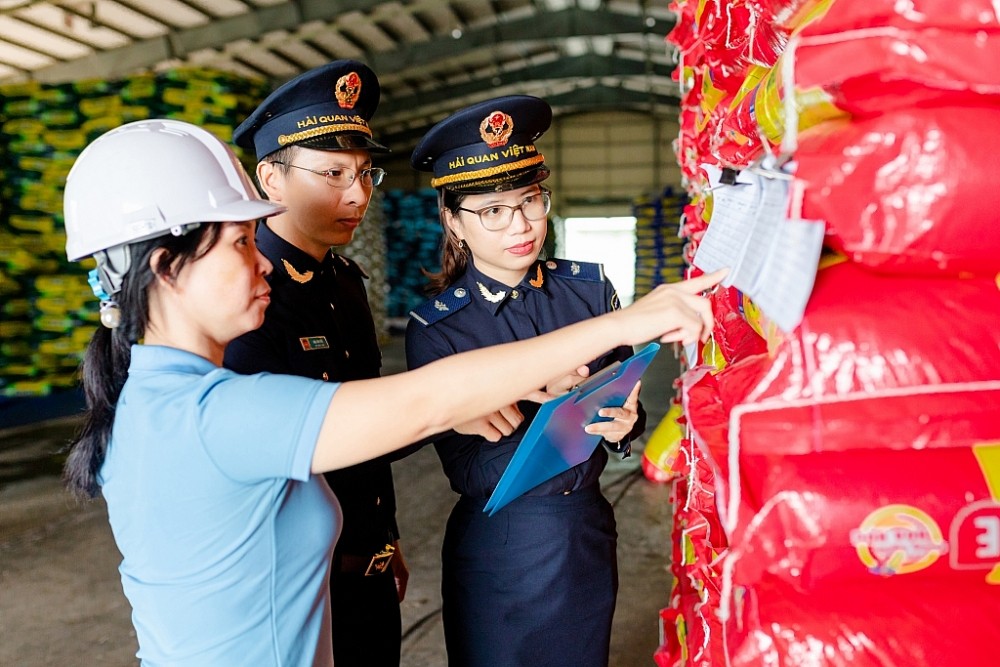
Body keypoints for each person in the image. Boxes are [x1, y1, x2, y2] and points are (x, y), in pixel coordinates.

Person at [61, 117, 722, 667]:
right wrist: (631, 321)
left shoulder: (157, 399)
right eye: (239, 241)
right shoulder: (215, 415)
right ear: (166, 268)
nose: (261, 257)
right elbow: (424, 401)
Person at [405, 95, 649, 667]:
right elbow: (467, 467)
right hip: (503, 544)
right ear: (453, 220)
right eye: (492, 211)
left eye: (530, 201)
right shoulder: (440, 327)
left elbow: (624, 403)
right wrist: (528, 400)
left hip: (586, 531)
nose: (519, 224)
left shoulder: (588, 292)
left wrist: (624, 426)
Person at [224, 59, 408, 667]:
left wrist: (386, 539)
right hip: (301, 590)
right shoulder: (251, 296)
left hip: (369, 572)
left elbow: (365, 437)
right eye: (332, 173)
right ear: (270, 178)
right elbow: (307, 440)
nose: (357, 194)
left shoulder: (344, 280)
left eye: (363, 173)